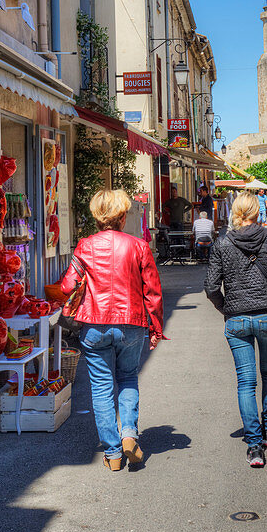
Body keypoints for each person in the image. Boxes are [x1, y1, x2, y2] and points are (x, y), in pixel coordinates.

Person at [60, 189, 164, 470]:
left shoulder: (85, 246)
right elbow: (152, 292)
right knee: (128, 378)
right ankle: (129, 434)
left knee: (102, 388)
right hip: (131, 324)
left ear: (97, 216)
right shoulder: (139, 246)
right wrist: (155, 328)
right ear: (121, 216)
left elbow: (67, 286)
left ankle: (113, 453)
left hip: (95, 324)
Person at [204, 191, 267, 468]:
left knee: (246, 382)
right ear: (258, 211)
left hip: (237, 319)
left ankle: (254, 446)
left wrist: (225, 307)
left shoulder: (222, 243)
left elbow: (211, 287)